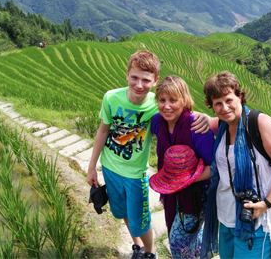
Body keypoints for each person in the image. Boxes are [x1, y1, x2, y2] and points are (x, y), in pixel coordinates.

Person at [86, 51, 209, 259]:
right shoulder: (111, 98)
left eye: (146, 80)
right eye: (134, 77)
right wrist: (92, 167)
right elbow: (103, 131)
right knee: (121, 212)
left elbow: (180, 110)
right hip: (110, 168)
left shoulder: (157, 104)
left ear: (155, 81)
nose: (139, 84)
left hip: (136, 174)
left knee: (140, 219)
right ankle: (137, 246)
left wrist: (203, 116)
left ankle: (151, 252)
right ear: (127, 74)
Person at [200, 71, 271, 259]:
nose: (225, 107)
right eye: (218, 103)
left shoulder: (259, 123)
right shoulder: (222, 126)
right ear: (212, 107)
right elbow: (199, 120)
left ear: (239, 96)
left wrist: (266, 203)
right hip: (228, 216)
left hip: (259, 218)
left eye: (229, 100)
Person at [149, 75, 214, 258]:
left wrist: (185, 180)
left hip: (197, 194)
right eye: (162, 100)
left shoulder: (196, 128)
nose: (166, 106)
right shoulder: (157, 122)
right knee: (187, 235)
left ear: (184, 100)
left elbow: (216, 167)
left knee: (178, 242)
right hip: (171, 191)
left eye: (173, 100)